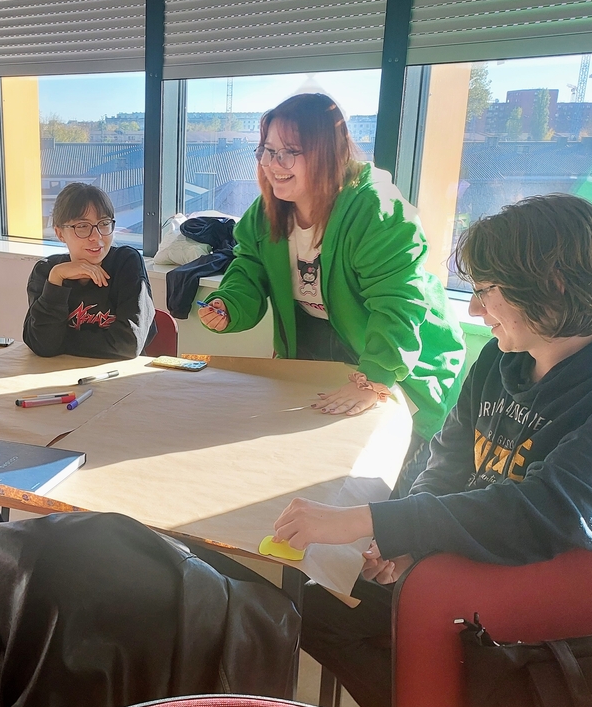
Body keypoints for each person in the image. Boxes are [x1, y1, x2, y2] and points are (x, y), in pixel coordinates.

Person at [273, 194, 592, 707]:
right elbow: (448, 459)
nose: (473, 310)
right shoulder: (504, 352)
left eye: (487, 291)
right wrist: (406, 543)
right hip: (468, 562)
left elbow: (557, 512)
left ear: (553, 284)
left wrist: (375, 521)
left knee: (461, 663)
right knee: (310, 607)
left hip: (567, 594)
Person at [198, 93, 465, 497]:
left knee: (386, 489)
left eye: (289, 152)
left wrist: (374, 378)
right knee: (307, 475)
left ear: (327, 152)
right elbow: (249, 266)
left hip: (400, 357)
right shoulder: (267, 210)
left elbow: (399, 303)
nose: (273, 164)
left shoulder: (375, 209)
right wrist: (229, 304)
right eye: (267, 151)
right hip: (320, 351)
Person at [24, 183, 157, 359]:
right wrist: (56, 280)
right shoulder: (47, 271)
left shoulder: (126, 263)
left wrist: (61, 343)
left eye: (104, 223)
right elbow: (42, 345)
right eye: (82, 226)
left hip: (118, 373)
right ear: (60, 233)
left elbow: (128, 344)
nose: (96, 236)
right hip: (59, 372)